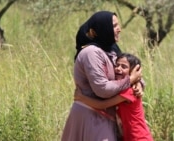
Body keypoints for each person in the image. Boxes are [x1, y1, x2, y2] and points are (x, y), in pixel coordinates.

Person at [61, 11, 143, 141]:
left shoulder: (112, 50)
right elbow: (102, 89)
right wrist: (131, 80)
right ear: (103, 29)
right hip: (89, 115)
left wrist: (138, 83)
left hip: (106, 117)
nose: (119, 29)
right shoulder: (91, 53)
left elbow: (134, 73)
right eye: (114, 26)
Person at [74, 53, 154, 141]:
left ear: (132, 72)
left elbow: (103, 105)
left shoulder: (130, 91)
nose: (118, 69)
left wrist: (81, 98)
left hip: (140, 138)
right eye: (117, 65)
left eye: (124, 67)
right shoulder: (122, 88)